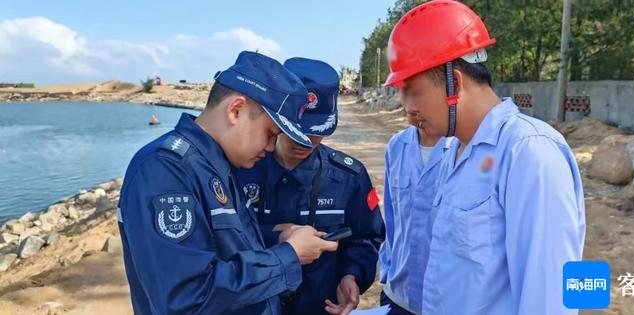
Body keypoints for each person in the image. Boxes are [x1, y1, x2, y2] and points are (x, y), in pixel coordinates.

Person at [383, 1, 586, 314]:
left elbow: (550, 298)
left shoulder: (529, 152)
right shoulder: (455, 152)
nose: (407, 109)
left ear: (456, 83)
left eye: (412, 90)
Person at [117, 51, 338, 315]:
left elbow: (221, 245)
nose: (270, 147)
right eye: (270, 133)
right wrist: (288, 256)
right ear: (236, 110)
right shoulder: (165, 172)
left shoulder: (218, 166)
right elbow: (186, 298)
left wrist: (277, 237)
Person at [237, 57, 384, 315]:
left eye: (314, 132)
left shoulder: (349, 177)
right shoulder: (239, 170)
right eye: (295, 129)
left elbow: (366, 237)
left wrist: (352, 276)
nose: (304, 141)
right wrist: (275, 236)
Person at [378, 102, 449, 314]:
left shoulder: (465, 150)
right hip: (398, 296)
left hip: (444, 303)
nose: (410, 100)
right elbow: (391, 220)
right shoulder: (397, 146)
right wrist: (387, 269)